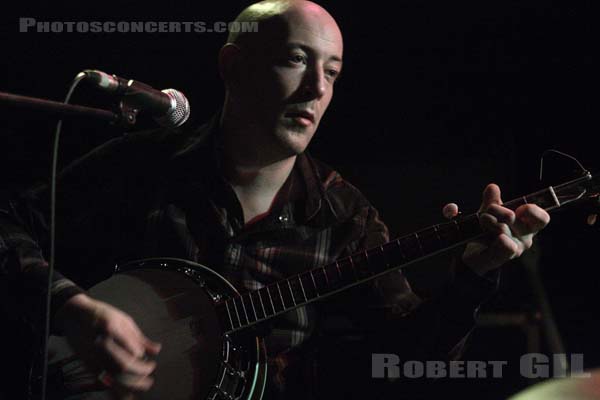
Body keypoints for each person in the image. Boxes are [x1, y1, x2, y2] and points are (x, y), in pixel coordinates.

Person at [0, 1, 550, 399]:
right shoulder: (142, 165)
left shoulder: (345, 218)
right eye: (296, 60)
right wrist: (70, 307)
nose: (317, 88)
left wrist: (475, 273)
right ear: (233, 67)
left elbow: (408, 359)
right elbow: (7, 225)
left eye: (332, 73)